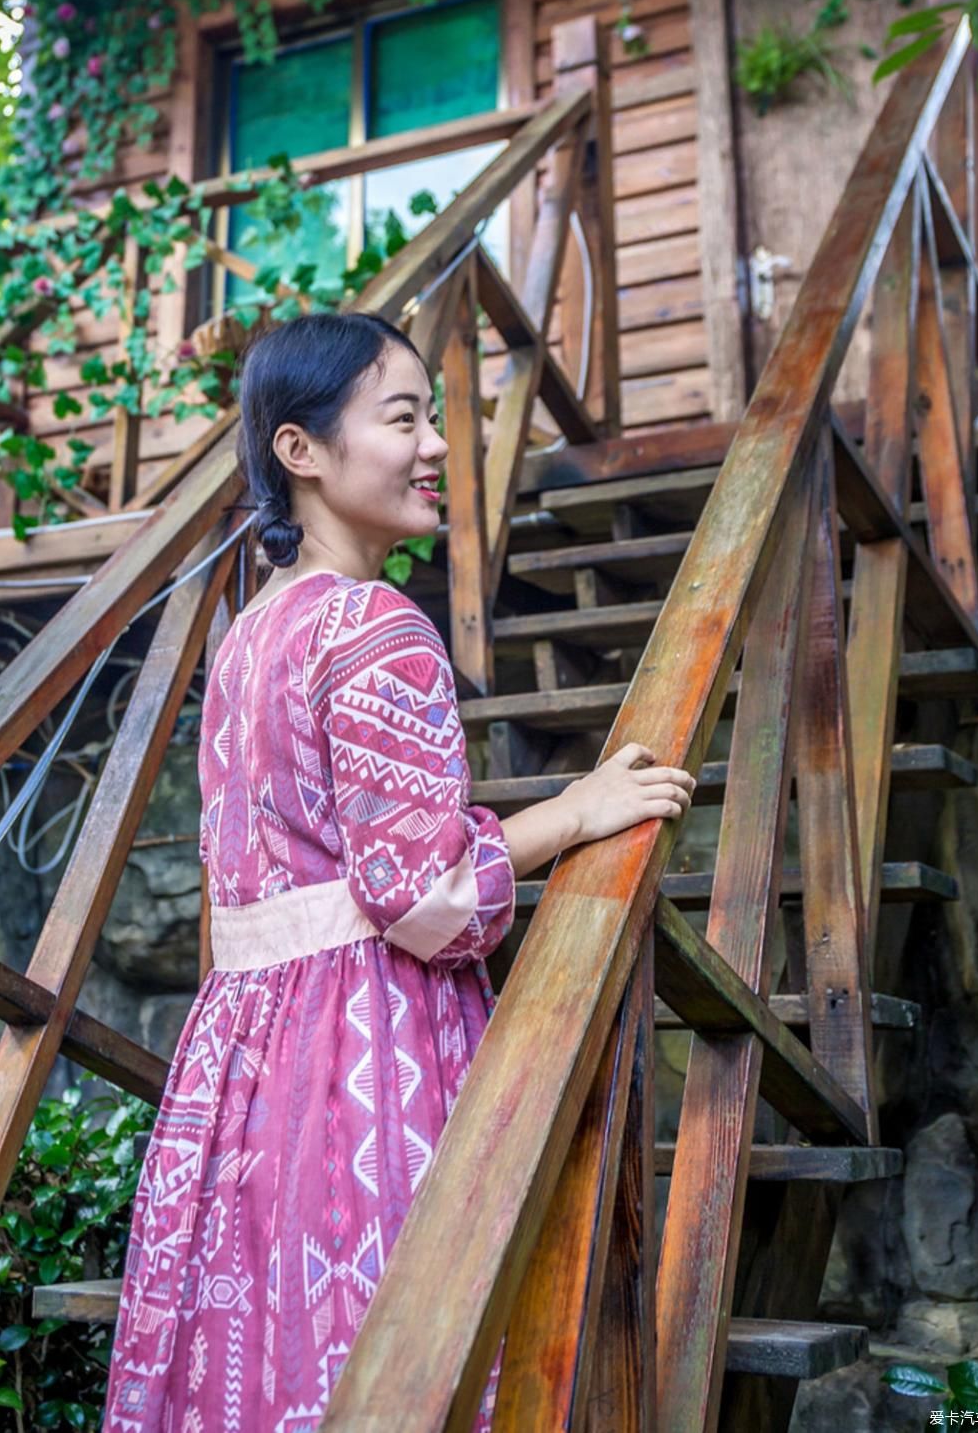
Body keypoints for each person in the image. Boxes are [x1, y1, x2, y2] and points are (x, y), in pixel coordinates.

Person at [102, 310, 695, 1432]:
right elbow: (423, 900)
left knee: (264, 1354)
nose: (433, 445)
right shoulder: (378, 626)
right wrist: (571, 812)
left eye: (435, 416)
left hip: (243, 1056)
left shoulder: (249, 636)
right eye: (403, 417)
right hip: (362, 1043)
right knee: (408, 1349)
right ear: (302, 449)